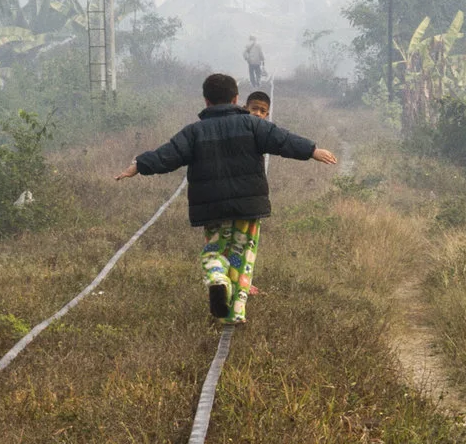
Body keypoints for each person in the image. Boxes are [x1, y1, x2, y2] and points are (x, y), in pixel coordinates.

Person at [117, 72, 334, 324]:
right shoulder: (253, 125)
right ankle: (236, 312)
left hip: (212, 209)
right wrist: (312, 150)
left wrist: (139, 165)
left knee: (214, 251)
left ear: (206, 101)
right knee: (241, 256)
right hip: (247, 207)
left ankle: (218, 278)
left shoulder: (194, 132)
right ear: (236, 99)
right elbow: (282, 140)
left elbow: (168, 155)